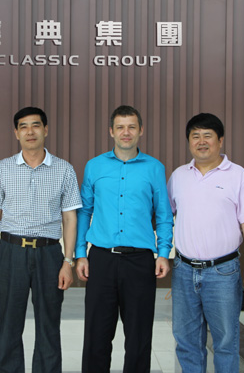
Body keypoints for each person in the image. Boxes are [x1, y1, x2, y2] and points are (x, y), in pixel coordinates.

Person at [0, 106, 82, 373]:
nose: (30, 132)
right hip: (10, 251)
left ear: (45, 130)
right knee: (9, 323)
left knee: (49, 324)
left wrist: (68, 262)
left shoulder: (64, 169)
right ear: (16, 133)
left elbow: (70, 219)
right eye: (23, 127)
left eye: (36, 125)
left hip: (49, 253)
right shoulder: (3, 168)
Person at [76, 105, 174, 373]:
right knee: (96, 335)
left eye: (131, 126)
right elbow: (85, 211)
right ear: (111, 131)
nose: (126, 132)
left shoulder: (154, 168)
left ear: (141, 130)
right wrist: (80, 253)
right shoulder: (94, 166)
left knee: (139, 337)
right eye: (120, 127)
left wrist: (163, 253)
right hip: (101, 259)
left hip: (140, 262)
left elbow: (164, 215)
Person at [167, 112, 244, 373]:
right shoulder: (178, 176)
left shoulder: (238, 176)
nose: (201, 142)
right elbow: (166, 218)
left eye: (207, 136)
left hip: (223, 272)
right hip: (184, 271)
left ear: (220, 140)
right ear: (189, 141)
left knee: (225, 342)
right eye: (195, 136)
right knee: (186, 341)